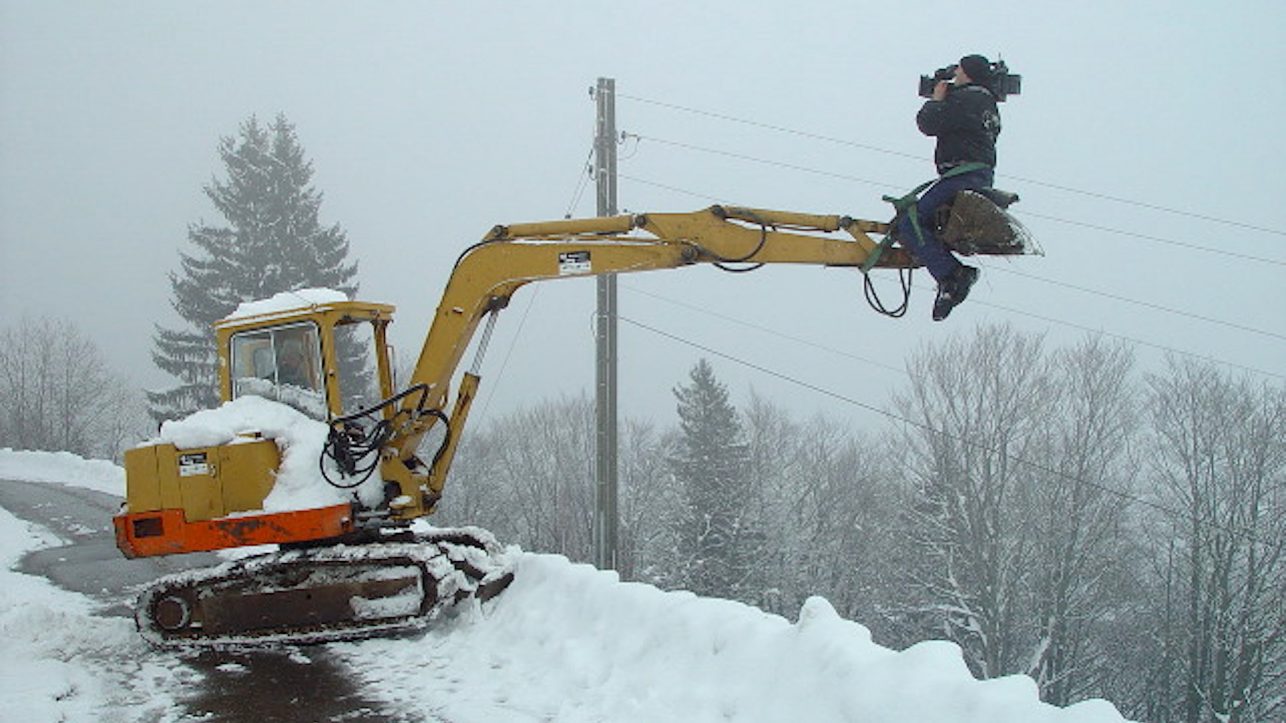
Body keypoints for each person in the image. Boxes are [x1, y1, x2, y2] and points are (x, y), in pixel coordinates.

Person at [898, 53, 1002, 321]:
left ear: (967, 72)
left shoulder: (968, 99)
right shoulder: (986, 101)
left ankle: (952, 276)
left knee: (909, 222)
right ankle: (943, 268)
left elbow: (928, 123)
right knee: (924, 223)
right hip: (977, 174)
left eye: (958, 71)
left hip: (961, 175)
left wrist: (937, 98)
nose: (954, 75)